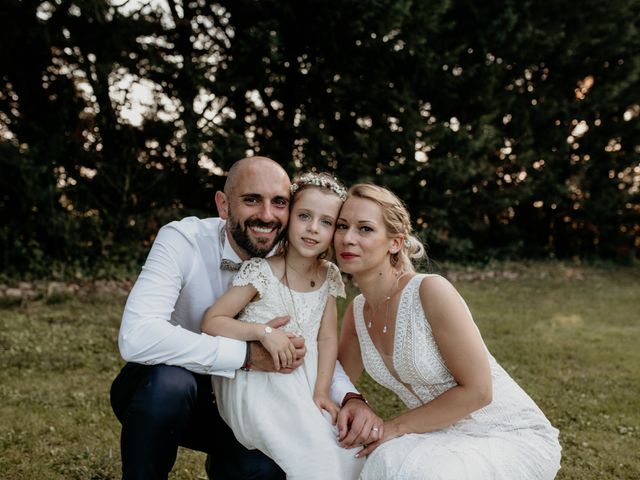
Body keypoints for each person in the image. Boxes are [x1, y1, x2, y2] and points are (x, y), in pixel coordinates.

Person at [109, 157, 377, 480]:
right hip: (166, 390)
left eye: (278, 203)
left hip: (255, 400)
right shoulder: (183, 240)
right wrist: (247, 355)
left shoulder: (297, 254)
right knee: (171, 384)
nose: (266, 215)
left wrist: (349, 396)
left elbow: (317, 339)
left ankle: (227, 464)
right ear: (223, 205)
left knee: (273, 468)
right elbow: (137, 336)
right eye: (252, 200)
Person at [334, 183, 562, 480]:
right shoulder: (356, 312)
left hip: (509, 435)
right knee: (378, 460)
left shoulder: (430, 291)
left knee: (418, 473)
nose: (348, 238)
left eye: (365, 229)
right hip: (436, 434)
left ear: (394, 242)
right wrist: (353, 402)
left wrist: (394, 427)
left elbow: (479, 391)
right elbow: (336, 379)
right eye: (341, 226)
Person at [201, 172, 364, 479]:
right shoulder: (261, 270)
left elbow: (327, 338)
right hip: (260, 384)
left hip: (306, 379)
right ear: (288, 218)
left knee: (346, 450)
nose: (313, 229)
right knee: (316, 455)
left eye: (326, 222)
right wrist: (264, 333)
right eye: (304, 216)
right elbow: (212, 322)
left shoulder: (329, 274)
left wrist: (321, 391)